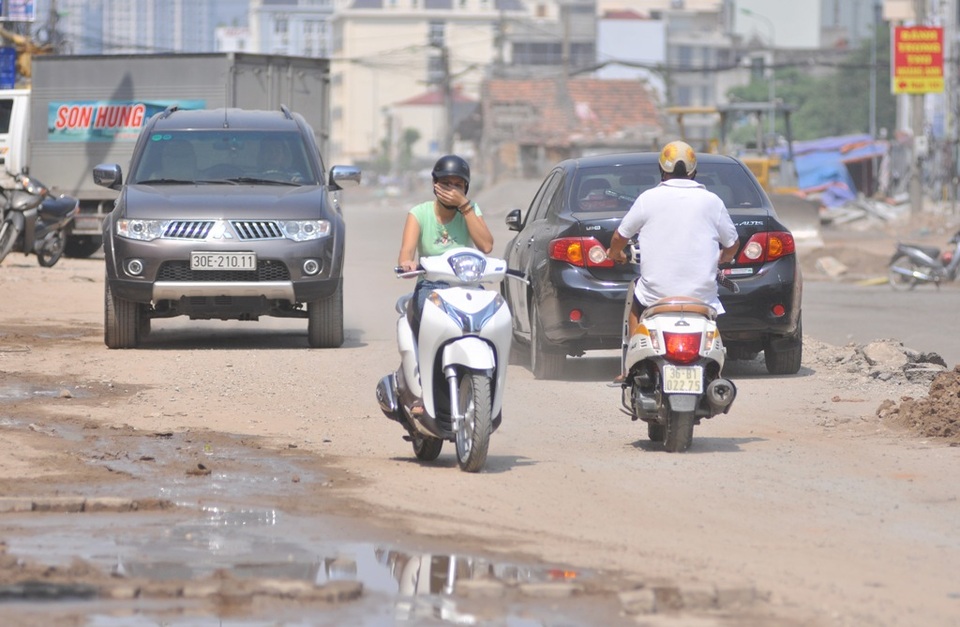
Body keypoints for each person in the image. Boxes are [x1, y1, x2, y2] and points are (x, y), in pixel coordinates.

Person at [605, 140, 740, 381]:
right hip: (701, 296)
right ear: (694, 171)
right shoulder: (712, 201)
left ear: (661, 170)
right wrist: (723, 259)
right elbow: (732, 244)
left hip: (656, 296)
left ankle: (630, 369)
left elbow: (619, 236)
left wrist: (616, 254)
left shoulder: (648, 199)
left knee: (636, 299)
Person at [397, 154, 494, 319]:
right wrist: (407, 263)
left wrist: (464, 205)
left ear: (465, 189)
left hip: (466, 282)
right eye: (446, 185)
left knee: (488, 316)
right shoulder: (419, 213)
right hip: (431, 284)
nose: (452, 191)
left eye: (458, 186)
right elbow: (407, 251)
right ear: (435, 185)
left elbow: (486, 246)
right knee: (432, 318)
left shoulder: (471, 209)